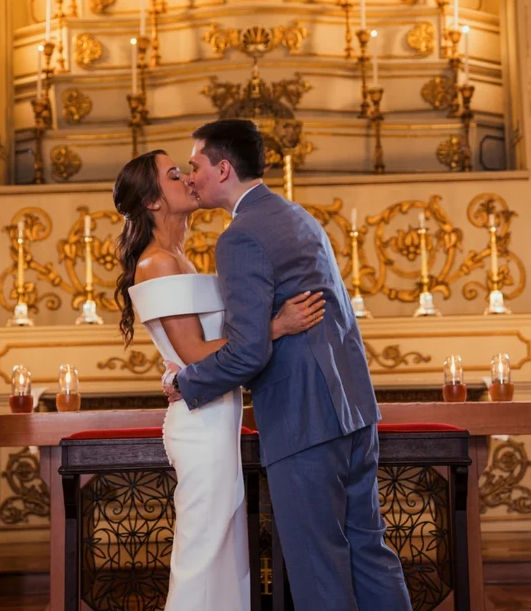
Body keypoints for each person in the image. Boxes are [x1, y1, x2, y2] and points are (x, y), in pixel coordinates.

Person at [163, 119, 413, 611]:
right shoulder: (297, 216)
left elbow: (247, 351)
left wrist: (185, 380)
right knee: (368, 549)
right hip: (353, 410)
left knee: (317, 565)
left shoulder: (240, 237)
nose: (191, 176)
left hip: (304, 420)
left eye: (195, 165)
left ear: (223, 168)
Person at [113, 149, 325, 611]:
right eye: (174, 175)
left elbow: (202, 350)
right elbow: (193, 354)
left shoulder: (179, 258)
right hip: (199, 424)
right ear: (152, 201)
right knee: (202, 551)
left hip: (216, 417)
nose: (188, 178)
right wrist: (277, 326)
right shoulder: (158, 263)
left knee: (225, 551)